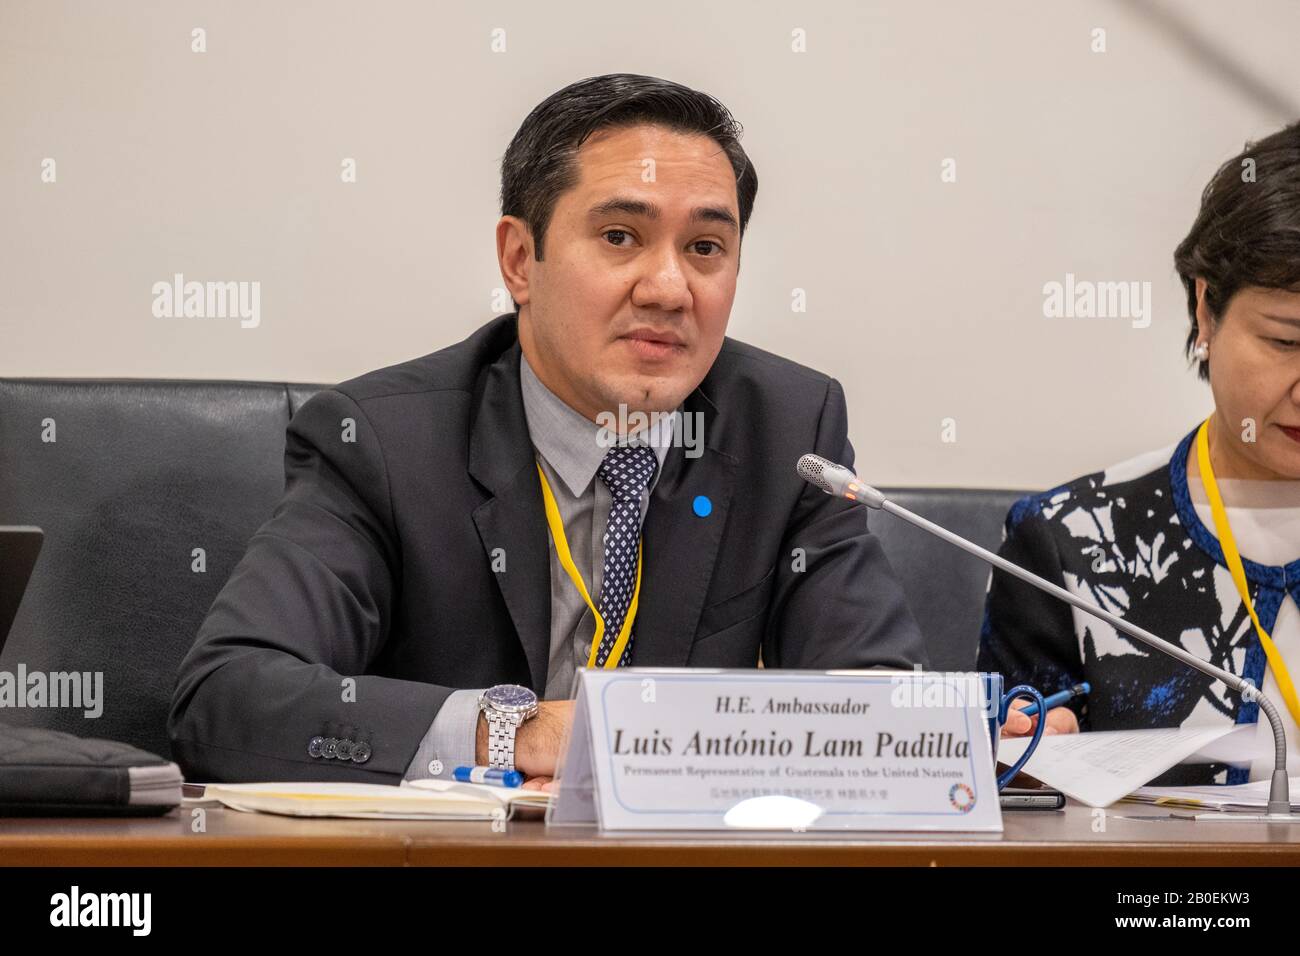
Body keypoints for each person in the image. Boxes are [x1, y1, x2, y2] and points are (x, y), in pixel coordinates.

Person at [169, 73, 926, 789]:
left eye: (705, 249)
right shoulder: (382, 443)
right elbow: (227, 701)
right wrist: (515, 731)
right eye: (621, 236)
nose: (667, 289)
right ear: (519, 259)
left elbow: (877, 704)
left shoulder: (789, 432)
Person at [979, 121, 1300, 786]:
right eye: (1287, 342)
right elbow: (1002, 793)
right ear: (1206, 311)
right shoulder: (1068, 544)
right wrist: (1022, 769)